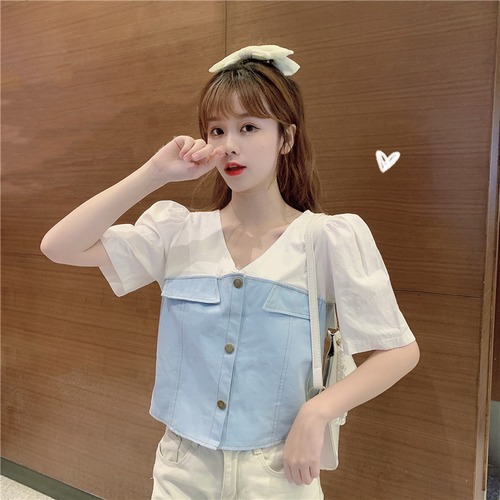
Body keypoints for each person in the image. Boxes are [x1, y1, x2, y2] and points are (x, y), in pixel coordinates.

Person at [41, 45, 420, 499]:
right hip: (183, 469)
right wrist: (155, 173)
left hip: (279, 472)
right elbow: (58, 246)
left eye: (249, 127)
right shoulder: (178, 232)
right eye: (217, 130)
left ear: (286, 138)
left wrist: (317, 412)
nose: (230, 145)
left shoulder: (327, 239)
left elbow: (399, 351)